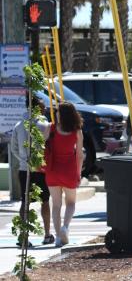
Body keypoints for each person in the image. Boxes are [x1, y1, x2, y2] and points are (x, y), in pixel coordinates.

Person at [44, 102, 84, 247]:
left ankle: (58, 237)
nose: (55, 114)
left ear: (62, 114)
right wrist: (78, 174)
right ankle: (65, 227)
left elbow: (43, 147)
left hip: (52, 170)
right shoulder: (77, 131)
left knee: (56, 204)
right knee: (71, 202)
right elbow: (79, 155)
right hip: (69, 171)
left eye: (57, 112)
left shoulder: (51, 128)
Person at [11, 114, 54, 246]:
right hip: (41, 169)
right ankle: (47, 234)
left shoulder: (18, 125)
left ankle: (23, 236)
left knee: (25, 202)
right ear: (39, 108)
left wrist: (24, 160)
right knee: (45, 200)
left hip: (24, 169)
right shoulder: (45, 124)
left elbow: (14, 148)